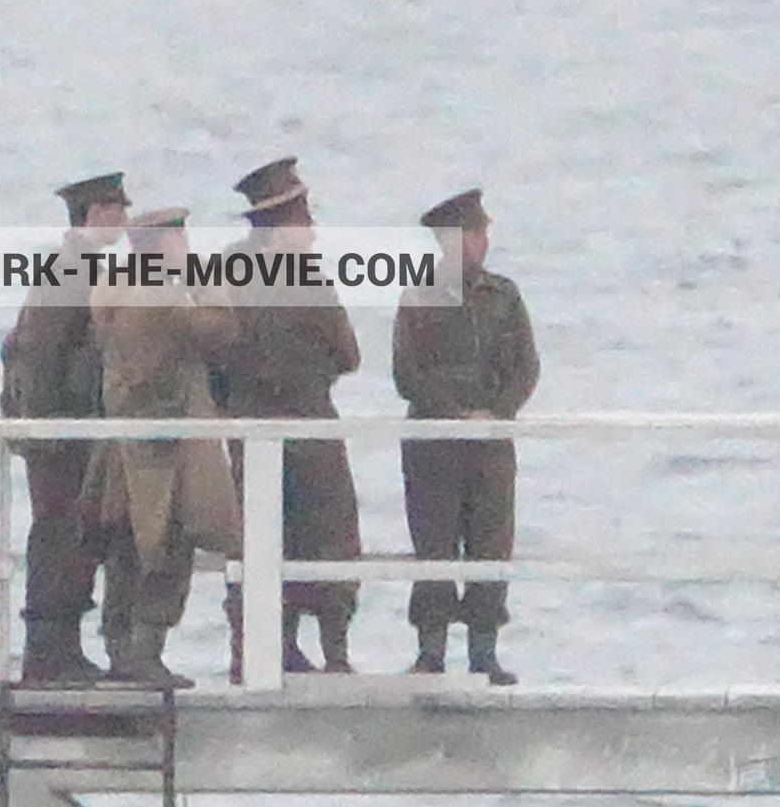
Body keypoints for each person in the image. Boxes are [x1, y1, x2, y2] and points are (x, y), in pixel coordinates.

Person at [81, 208, 243, 687]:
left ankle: (119, 650)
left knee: (125, 548)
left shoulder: (115, 288)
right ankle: (144, 654)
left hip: (125, 442)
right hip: (167, 447)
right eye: (180, 239)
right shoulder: (162, 295)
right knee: (167, 547)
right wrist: (206, 280)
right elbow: (221, 331)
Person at [215, 157, 363, 678]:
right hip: (308, 426)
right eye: (305, 219)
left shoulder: (225, 274)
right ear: (282, 223)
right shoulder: (306, 279)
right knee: (328, 536)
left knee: (260, 538)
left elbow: (215, 362)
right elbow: (348, 353)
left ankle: (256, 650)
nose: (313, 231)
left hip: (250, 429)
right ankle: (331, 652)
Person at [394, 188, 539, 684]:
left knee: (490, 547)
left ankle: (484, 650)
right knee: (434, 547)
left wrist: (494, 413)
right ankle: (431, 649)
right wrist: (453, 414)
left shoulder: (505, 296)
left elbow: (526, 368)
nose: (482, 243)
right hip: (433, 446)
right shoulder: (418, 294)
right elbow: (407, 376)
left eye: (482, 234)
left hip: (490, 445)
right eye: (473, 234)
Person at [0, 171, 129, 683]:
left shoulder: (78, 265)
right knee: (62, 535)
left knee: (72, 535)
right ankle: (51, 652)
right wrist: (49, 427)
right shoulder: (74, 268)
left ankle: (60, 649)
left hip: (68, 429)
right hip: (63, 433)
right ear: (96, 213)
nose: (123, 219)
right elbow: (43, 354)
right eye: (117, 210)